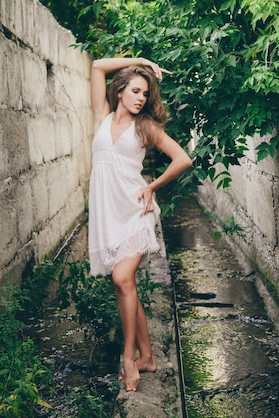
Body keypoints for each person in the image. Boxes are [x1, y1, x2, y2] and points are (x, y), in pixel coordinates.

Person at [88, 57, 192, 392]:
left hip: (135, 212)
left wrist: (151, 186)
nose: (140, 98)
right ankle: (148, 355)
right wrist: (139, 61)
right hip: (108, 214)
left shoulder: (145, 127)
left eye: (145, 93)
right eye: (135, 90)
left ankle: (129, 357)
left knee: (122, 278)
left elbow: (183, 159)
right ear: (119, 91)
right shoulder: (101, 118)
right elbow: (97, 68)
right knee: (125, 285)